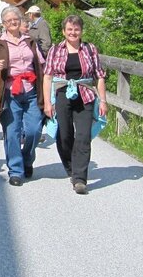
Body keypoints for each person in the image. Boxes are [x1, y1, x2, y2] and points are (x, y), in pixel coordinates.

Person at [42, 15, 107, 195]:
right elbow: (47, 77)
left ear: (81, 31)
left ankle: (80, 178)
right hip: (62, 93)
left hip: (85, 94)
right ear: (63, 31)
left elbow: (99, 76)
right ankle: (71, 167)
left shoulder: (90, 49)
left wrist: (103, 100)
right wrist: (47, 102)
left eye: (76, 29)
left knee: (84, 135)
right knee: (64, 135)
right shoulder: (56, 49)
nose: (73, 32)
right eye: (69, 29)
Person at [0, 6, 45, 186]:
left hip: (31, 91)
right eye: (8, 20)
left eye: (15, 19)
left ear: (20, 21)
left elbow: (41, 64)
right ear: (3, 24)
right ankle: (16, 170)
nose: (13, 22)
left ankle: (27, 160)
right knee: (12, 133)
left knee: (34, 130)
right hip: (9, 93)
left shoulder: (30, 41)